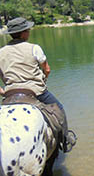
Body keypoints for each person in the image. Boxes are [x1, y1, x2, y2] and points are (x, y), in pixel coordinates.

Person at [0, 17, 76, 153]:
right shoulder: (34, 48)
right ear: (23, 33)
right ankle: (65, 141)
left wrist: (3, 92)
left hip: (10, 94)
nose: (29, 32)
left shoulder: (1, 52)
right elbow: (47, 69)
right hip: (36, 91)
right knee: (59, 109)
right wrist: (43, 80)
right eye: (28, 30)